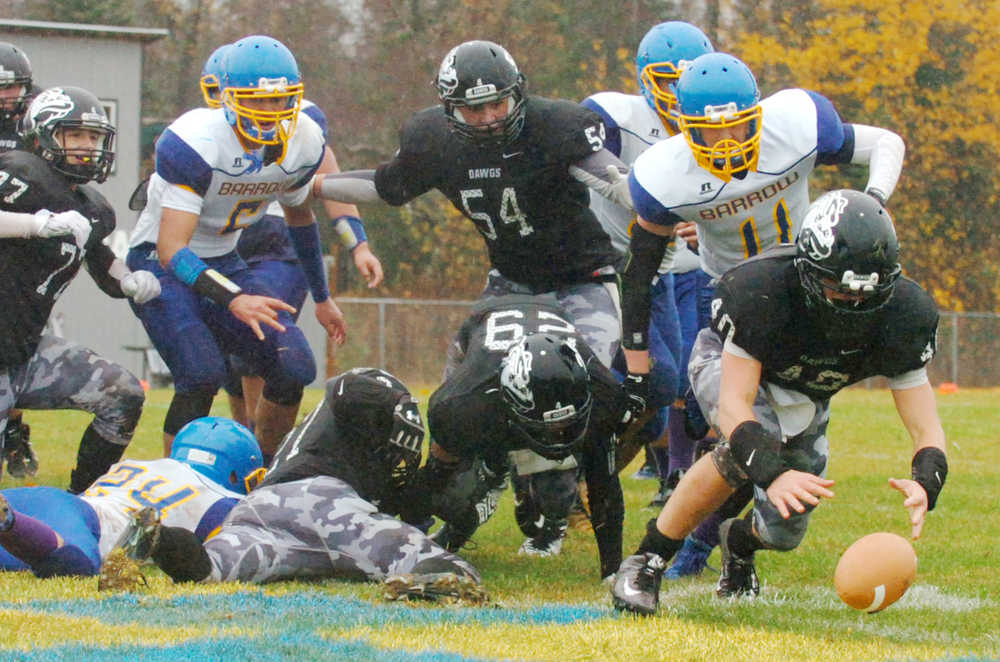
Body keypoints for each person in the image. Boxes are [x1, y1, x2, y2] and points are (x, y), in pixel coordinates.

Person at [311, 40, 634, 555]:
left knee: (570, 391)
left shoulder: (556, 127)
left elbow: (613, 178)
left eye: (496, 104)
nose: (486, 118)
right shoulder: (434, 141)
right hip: (510, 280)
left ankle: (553, 503)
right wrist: (315, 186)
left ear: (518, 95)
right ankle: (480, 489)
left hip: (582, 278)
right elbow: (387, 187)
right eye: (472, 107)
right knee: (462, 400)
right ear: (448, 109)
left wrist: (661, 207)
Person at [616, 51, 906, 571]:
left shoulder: (796, 124)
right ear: (684, 129)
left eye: (739, 128)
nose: (727, 143)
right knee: (745, 434)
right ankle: (666, 557)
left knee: (783, 468)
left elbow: (887, 142)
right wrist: (636, 352)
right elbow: (639, 271)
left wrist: (874, 202)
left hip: (807, 304)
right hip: (728, 301)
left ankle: (735, 544)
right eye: (711, 134)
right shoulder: (665, 174)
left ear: (759, 116)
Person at [611, 190, 947, 614]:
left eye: (866, 294)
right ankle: (647, 560)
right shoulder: (762, 289)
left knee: (785, 532)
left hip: (804, 391)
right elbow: (735, 405)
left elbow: (925, 426)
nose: (852, 303)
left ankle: (737, 541)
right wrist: (770, 471)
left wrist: (926, 480)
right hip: (729, 362)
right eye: (836, 289)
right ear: (808, 270)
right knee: (749, 446)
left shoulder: (906, 313)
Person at [126, 35, 347, 459]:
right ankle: (184, 484)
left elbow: (300, 217)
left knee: (293, 366)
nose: (269, 113)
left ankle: (262, 476)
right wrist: (234, 298)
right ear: (227, 98)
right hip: (161, 263)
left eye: (280, 100)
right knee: (201, 374)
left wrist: (322, 297)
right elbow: (173, 249)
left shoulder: (304, 138)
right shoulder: (195, 142)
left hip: (225, 259)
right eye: (255, 101)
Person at [110, 368, 486, 604]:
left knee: (212, 567)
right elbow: (350, 388)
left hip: (260, 504)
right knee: (449, 570)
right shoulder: (356, 398)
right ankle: (435, 580)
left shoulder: (316, 428)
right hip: (323, 503)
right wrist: (393, 402)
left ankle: (158, 540)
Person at [189, 45, 383, 430]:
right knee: (232, 357)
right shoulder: (201, 131)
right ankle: (244, 448)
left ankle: (263, 458)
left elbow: (328, 185)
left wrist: (357, 243)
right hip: (225, 246)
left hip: (278, 241)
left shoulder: (300, 119)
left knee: (263, 345)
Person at [0, 85, 159, 493]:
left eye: (94, 137)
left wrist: (128, 278)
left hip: (23, 353)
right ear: (43, 137)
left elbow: (99, 257)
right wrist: (34, 225)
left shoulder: (89, 205)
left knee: (121, 394)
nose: (88, 147)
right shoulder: (19, 172)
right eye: (76, 136)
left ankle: (85, 501)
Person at [581, 20, 714, 502]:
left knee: (668, 388)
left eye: (688, 80)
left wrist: (706, 223)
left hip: (663, 272)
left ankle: (603, 472)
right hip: (607, 269)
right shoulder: (618, 115)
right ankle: (573, 473)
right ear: (643, 78)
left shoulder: (716, 123)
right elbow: (583, 156)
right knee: (638, 381)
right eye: (667, 80)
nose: (678, 95)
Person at [400, 294, 625, 579]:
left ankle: (552, 525)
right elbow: (434, 477)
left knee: (555, 490)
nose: (557, 437)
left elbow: (604, 485)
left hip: (551, 316)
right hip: (483, 325)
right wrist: (411, 542)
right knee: (458, 486)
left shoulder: (603, 391)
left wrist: (612, 571)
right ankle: (492, 474)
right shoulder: (461, 404)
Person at [0, 417, 263, 581]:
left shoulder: (145, 465)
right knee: (78, 566)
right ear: (235, 473)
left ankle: (11, 521)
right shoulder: (220, 498)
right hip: (82, 524)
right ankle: (8, 521)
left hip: (46, 506)